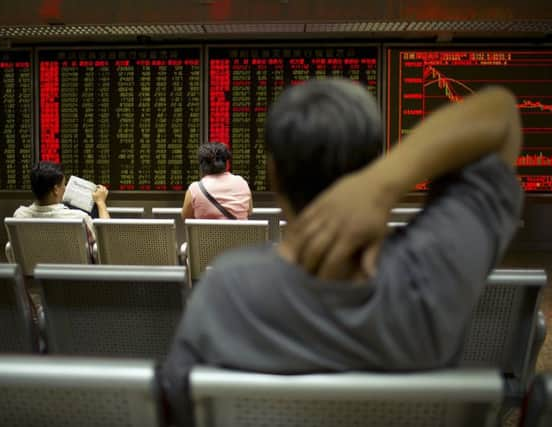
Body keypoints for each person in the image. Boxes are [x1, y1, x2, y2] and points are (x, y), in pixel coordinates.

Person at [160, 79, 523, 426]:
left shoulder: (224, 290)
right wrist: (386, 182)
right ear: (372, 165)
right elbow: (502, 113)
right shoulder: (433, 271)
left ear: (274, 174)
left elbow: (177, 403)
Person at [12, 162, 110, 251]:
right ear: (55, 190)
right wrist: (101, 202)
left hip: (35, 270)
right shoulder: (78, 219)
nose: (65, 188)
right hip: (75, 270)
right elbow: (107, 239)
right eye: (64, 185)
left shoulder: (19, 216)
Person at [181, 142, 252, 220]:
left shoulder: (194, 189)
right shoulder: (242, 183)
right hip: (240, 232)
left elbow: (185, 217)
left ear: (202, 166)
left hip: (206, 232)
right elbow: (249, 211)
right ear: (226, 163)